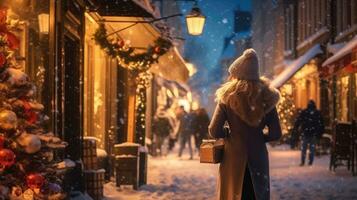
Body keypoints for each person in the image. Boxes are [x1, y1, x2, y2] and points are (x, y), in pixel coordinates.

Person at [209, 48, 282, 200]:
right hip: (257, 155)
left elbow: (214, 130)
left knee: (233, 193)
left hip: (233, 155)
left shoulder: (227, 97)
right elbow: (276, 133)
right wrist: (259, 137)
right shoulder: (267, 97)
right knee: (256, 193)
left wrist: (229, 133)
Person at [293, 100, 324, 166]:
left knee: (304, 148)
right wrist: (319, 133)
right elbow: (321, 124)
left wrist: (296, 128)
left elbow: (299, 120)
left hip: (306, 133)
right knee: (311, 149)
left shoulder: (305, 112)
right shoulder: (317, 113)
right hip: (313, 133)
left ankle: (303, 161)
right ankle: (310, 162)